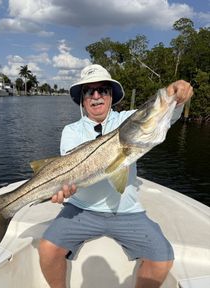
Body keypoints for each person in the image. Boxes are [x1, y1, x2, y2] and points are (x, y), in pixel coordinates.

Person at [38, 64, 193, 288]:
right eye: (89, 91)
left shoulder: (128, 120)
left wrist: (174, 94)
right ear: (82, 100)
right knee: (47, 249)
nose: (97, 96)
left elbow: (162, 115)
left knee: (163, 258)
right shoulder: (71, 131)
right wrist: (66, 189)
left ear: (112, 96)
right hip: (80, 209)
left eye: (103, 90)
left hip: (126, 210)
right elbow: (67, 175)